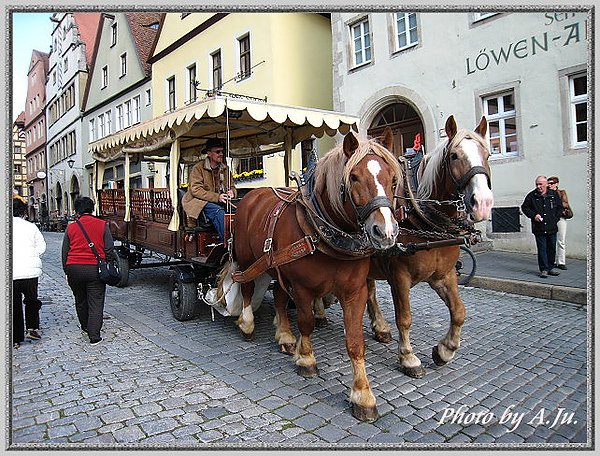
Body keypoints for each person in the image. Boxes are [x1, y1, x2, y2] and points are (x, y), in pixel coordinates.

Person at [62, 197, 116, 345]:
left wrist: (66, 270)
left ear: (77, 211)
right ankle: (94, 335)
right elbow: (109, 248)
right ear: (92, 209)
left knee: (80, 300)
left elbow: (65, 251)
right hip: (94, 269)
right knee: (96, 301)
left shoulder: (71, 227)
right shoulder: (102, 225)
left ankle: (85, 326)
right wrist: (107, 262)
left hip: (74, 268)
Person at [182, 137, 237, 240]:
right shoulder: (198, 168)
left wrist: (232, 192)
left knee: (239, 210)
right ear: (209, 153)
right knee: (218, 212)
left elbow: (232, 186)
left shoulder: (225, 169)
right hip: (198, 201)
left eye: (222, 151)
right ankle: (226, 244)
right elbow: (196, 190)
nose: (221, 154)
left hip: (220, 201)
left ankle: (240, 241)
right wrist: (218, 197)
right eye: (217, 152)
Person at [12, 197, 46, 349]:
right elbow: (41, 246)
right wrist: (34, 255)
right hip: (30, 271)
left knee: (14, 303)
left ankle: (15, 337)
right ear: (23, 212)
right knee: (31, 300)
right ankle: (32, 328)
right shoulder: (31, 227)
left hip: (11, 272)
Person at [521, 176, 563, 278]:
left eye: (540, 184)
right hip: (539, 227)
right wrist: (534, 215)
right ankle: (544, 269)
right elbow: (524, 207)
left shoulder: (553, 194)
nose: (538, 186)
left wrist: (555, 218)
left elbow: (559, 207)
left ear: (546, 184)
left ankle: (550, 267)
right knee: (542, 249)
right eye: (537, 184)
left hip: (551, 227)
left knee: (551, 248)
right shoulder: (532, 195)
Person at [547, 176, 572, 270]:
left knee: (561, 241)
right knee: (550, 241)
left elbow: (565, 204)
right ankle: (551, 261)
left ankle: (561, 262)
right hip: (550, 219)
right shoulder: (546, 193)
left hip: (560, 218)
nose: (549, 185)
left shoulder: (561, 192)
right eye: (548, 183)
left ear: (557, 184)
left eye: (551, 183)